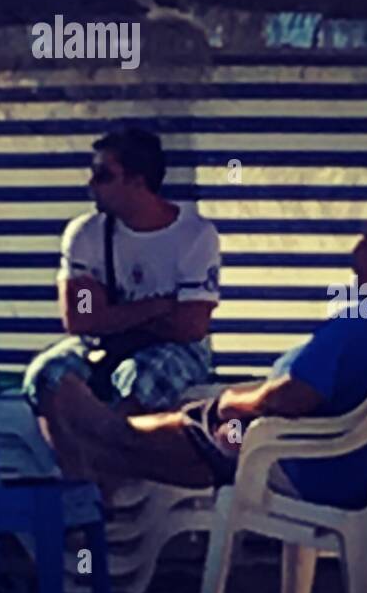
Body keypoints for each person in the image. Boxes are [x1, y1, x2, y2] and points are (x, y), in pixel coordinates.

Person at [45, 206, 367, 508]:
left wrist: (232, 402)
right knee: (203, 426)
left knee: (206, 424)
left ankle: (104, 445)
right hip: (349, 457)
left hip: (308, 459)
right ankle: (106, 452)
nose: (355, 254)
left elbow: (291, 398)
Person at [22, 125, 220, 486]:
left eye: (104, 175)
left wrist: (113, 317)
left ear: (137, 181)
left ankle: (117, 481)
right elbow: (80, 320)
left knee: (139, 379)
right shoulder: (86, 235)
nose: (91, 184)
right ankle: (80, 485)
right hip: (103, 345)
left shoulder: (194, 235)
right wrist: (160, 306)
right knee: (46, 374)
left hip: (176, 349)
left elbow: (190, 327)